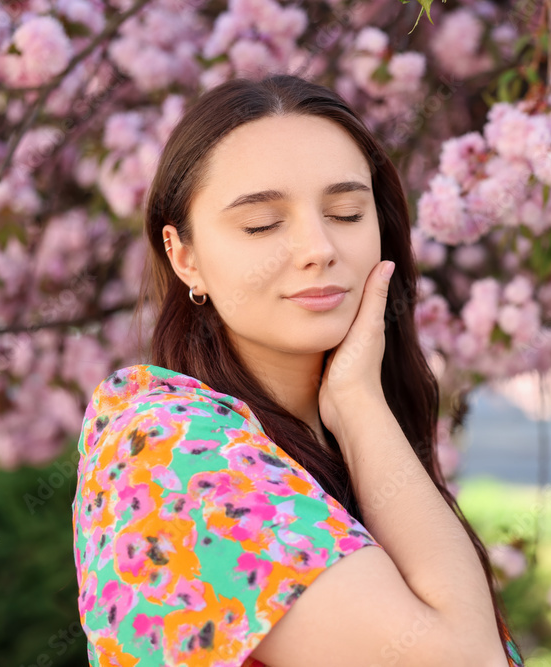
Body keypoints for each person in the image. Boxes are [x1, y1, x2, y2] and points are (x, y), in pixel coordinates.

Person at [71, 74, 525, 667]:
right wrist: (358, 403)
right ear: (185, 257)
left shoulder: (345, 443)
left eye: (346, 212)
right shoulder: (164, 446)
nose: (318, 246)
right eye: (262, 223)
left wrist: (359, 406)